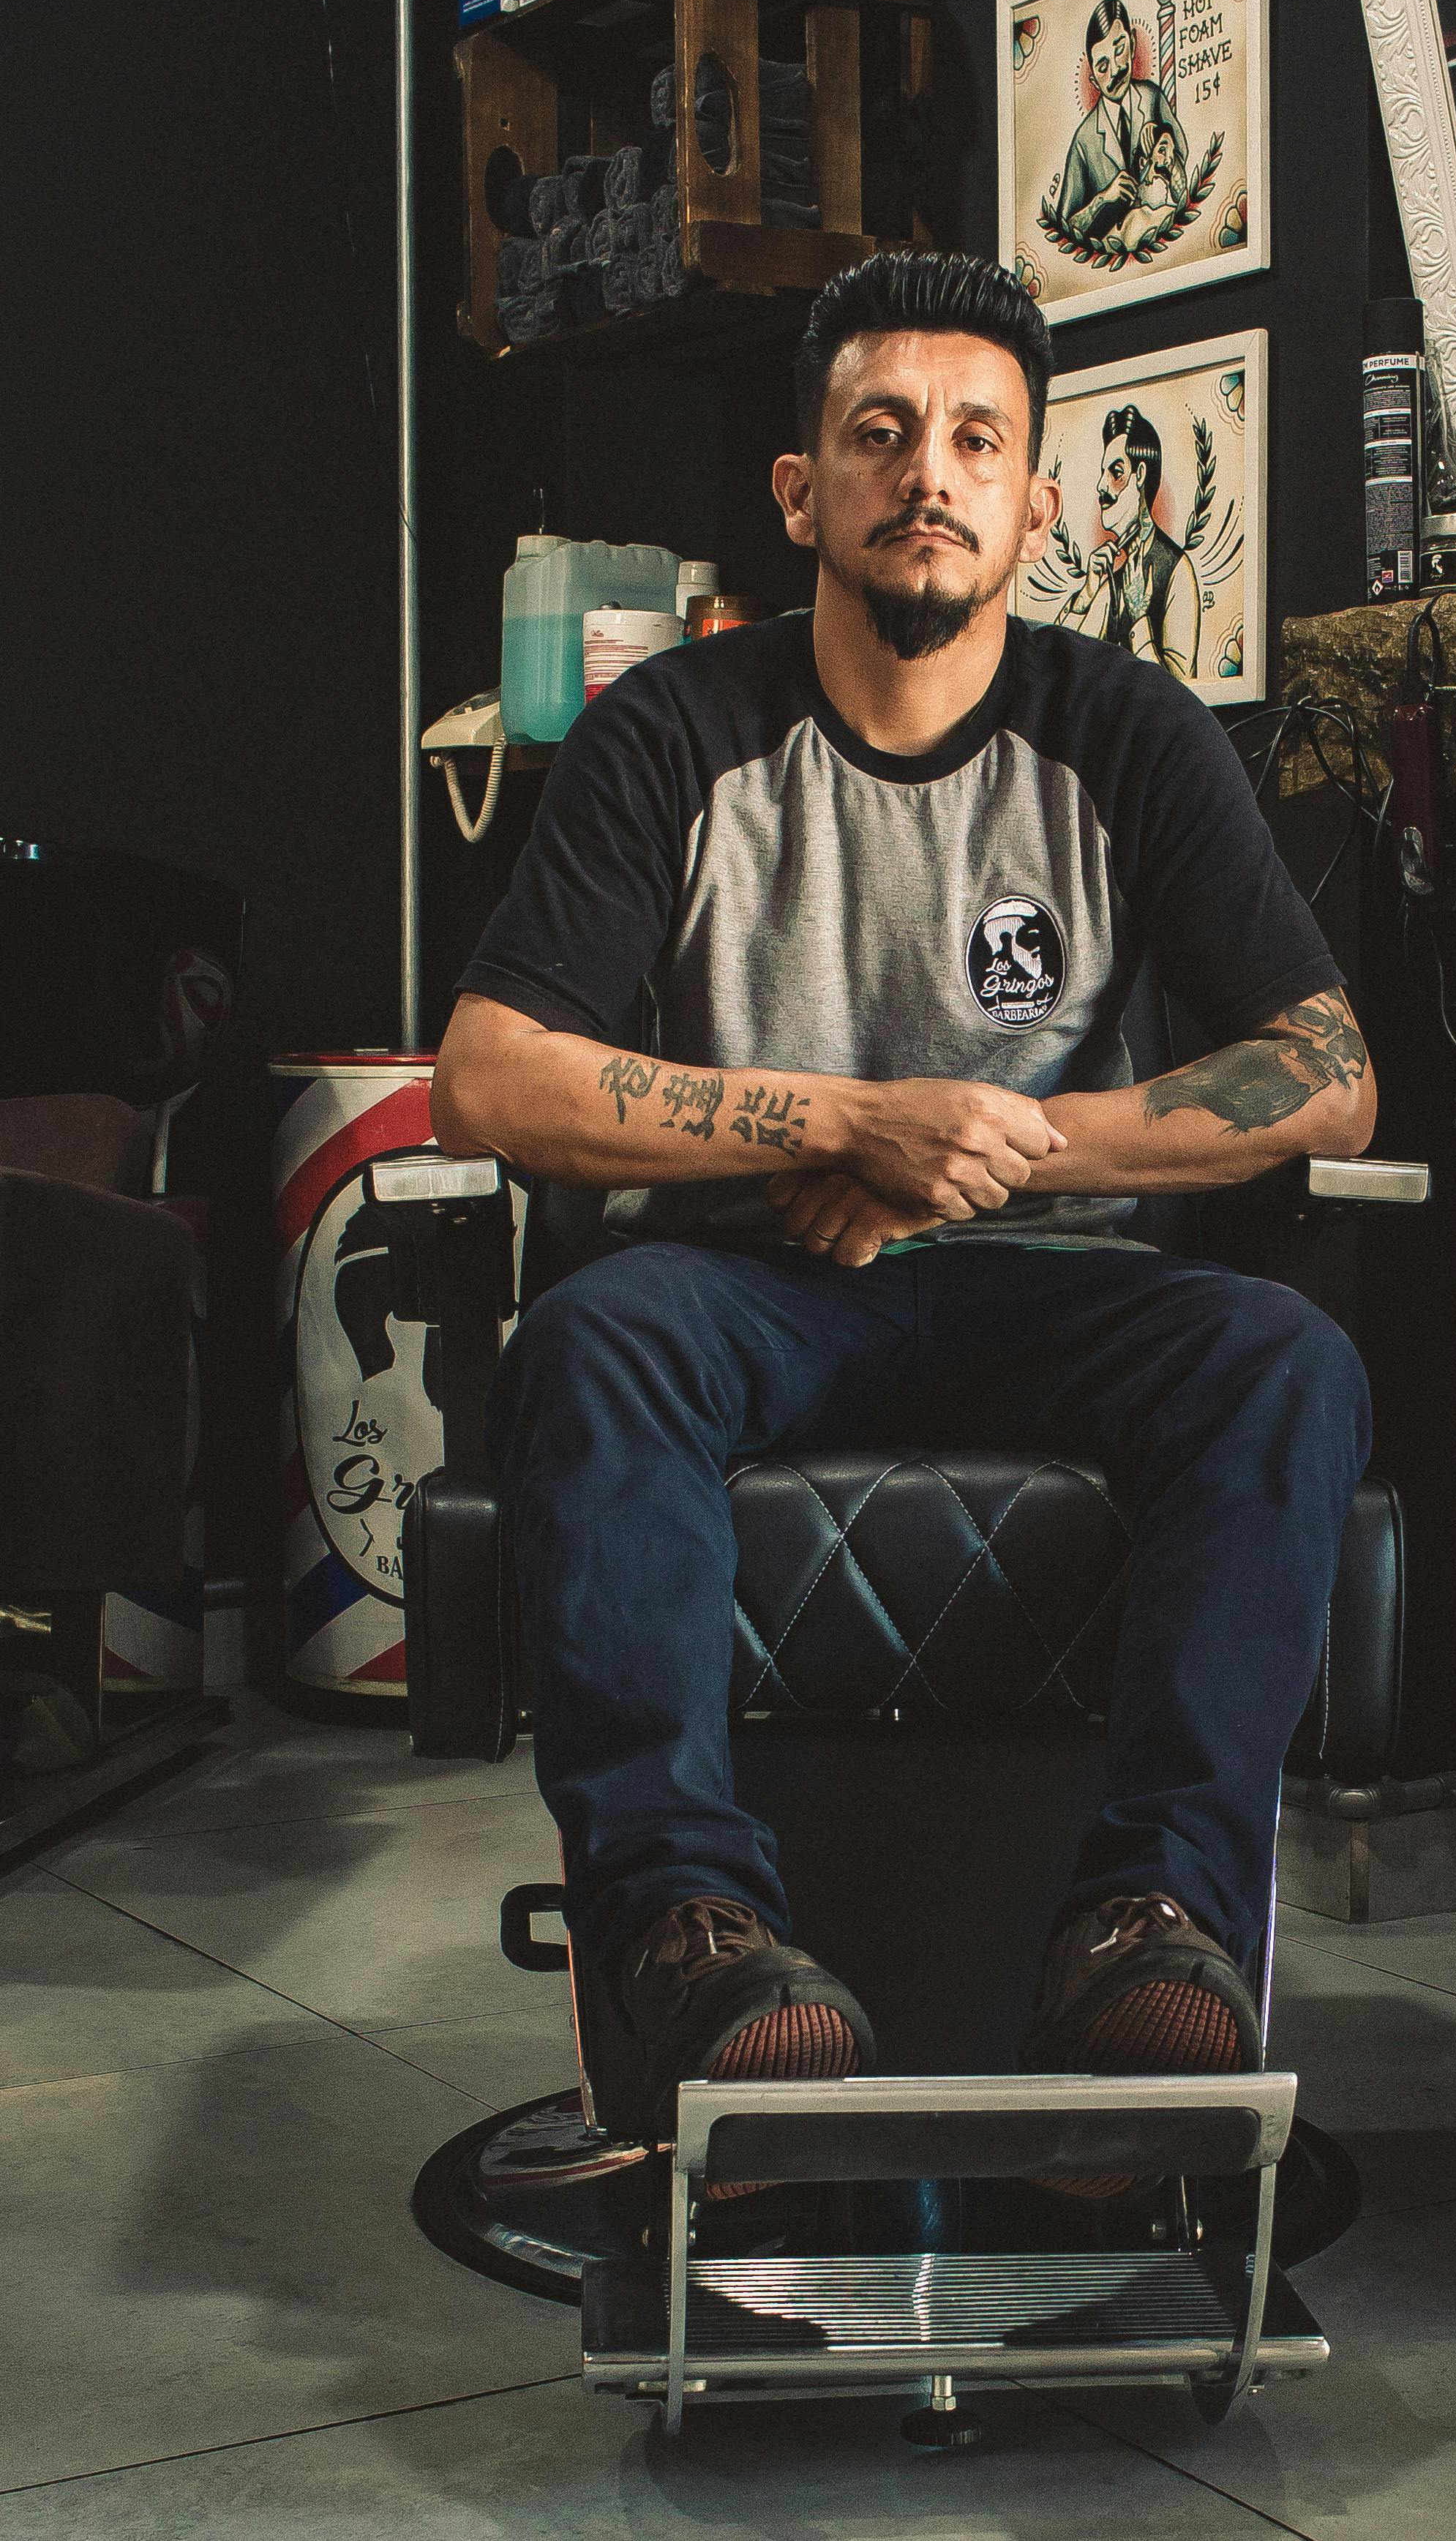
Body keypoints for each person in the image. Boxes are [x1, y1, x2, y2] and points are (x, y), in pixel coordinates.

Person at [432, 250, 1375, 2158]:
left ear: (1037, 501)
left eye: (975, 439)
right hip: (752, 1288)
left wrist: (999, 1147)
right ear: (802, 491)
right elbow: (491, 1073)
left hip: (1054, 1286)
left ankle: (1150, 1919)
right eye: (879, 433)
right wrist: (844, 1123)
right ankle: (690, 1937)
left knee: (1282, 1359)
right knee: (595, 1341)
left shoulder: (1127, 731)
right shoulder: (674, 729)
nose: (926, 471)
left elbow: (1327, 1067)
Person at [1056, 400, 1203, 681]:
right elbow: (1060, 676)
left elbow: (1181, 692)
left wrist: (1139, 617)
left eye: (1116, 472)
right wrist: (1086, 595)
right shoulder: (1109, 575)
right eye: (1103, 473)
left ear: (1141, 475)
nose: (1101, 486)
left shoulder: (1177, 570)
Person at [1056, 0, 1185, 249]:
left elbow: (1182, 161)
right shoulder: (1085, 140)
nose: (1115, 70)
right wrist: (1104, 198)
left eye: (1119, 50)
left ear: (1133, 44)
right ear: (1093, 80)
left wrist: (1165, 141)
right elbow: (1065, 229)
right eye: (1103, 66)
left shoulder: (1152, 98)